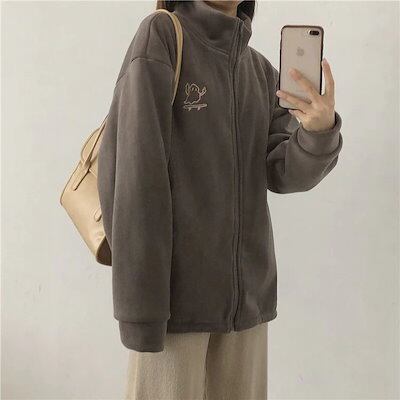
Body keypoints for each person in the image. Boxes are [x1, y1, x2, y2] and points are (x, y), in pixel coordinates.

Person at [97, 0, 343, 398]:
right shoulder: (163, 36)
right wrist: (141, 314)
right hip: (174, 312)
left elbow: (284, 172)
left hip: (247, 312)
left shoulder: (260, 72)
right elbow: (135, 176)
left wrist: (317, 132)